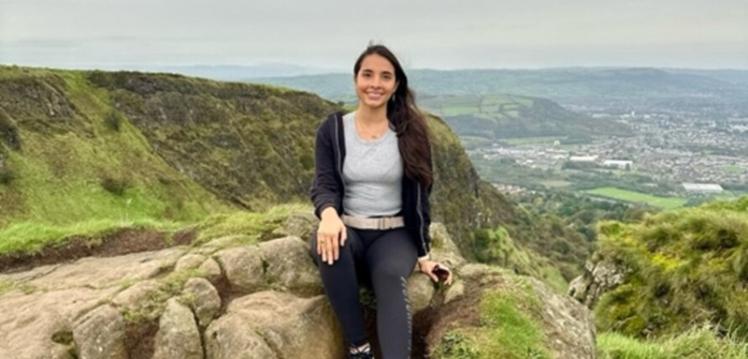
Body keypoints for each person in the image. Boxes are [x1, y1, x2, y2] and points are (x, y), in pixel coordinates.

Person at [308, 43, 453, 359]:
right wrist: (329, 216)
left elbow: (420, 197)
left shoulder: (410, 131)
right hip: (350, 230)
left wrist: (424, 254)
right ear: (355, 78)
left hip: (394, 236)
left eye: (385, 76)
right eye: (368, 74)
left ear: (396, 84)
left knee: (388, 276)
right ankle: (359, 347)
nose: (375, 83)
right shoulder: (333, 130)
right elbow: (324, 183)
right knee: (329, 246)